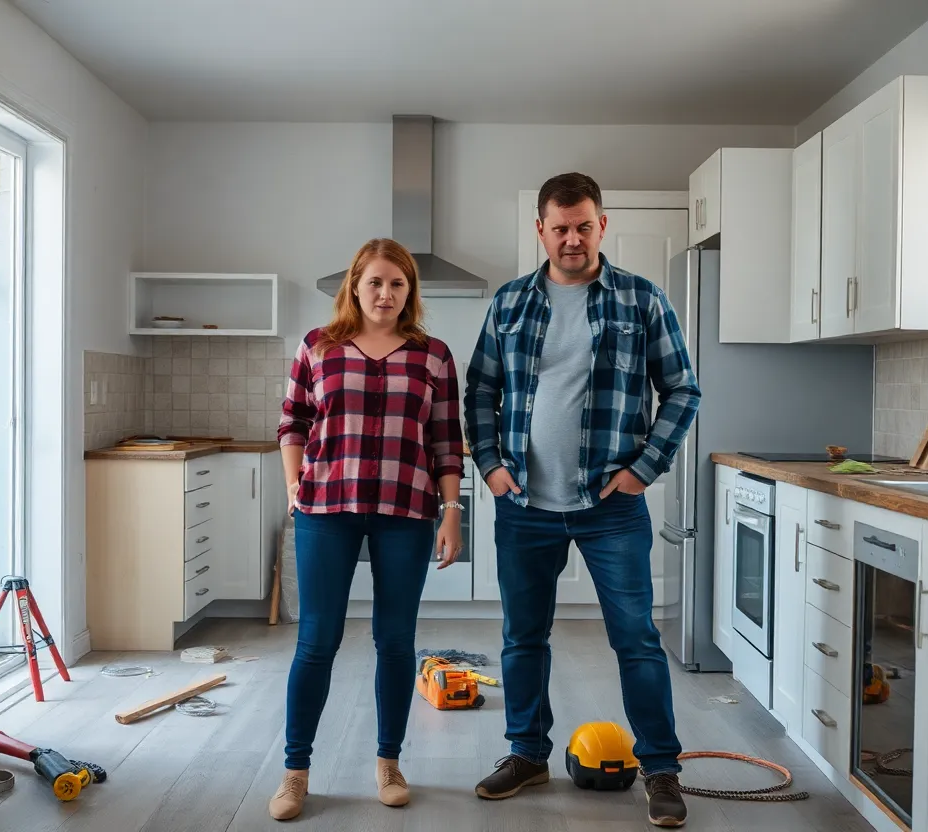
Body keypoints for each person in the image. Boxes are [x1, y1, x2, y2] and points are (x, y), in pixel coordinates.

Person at [464, 172, 701, 828]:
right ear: (540, 230)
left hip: (610, 508)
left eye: (583, 225)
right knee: (522, 637)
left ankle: (660, 769)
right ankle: (526, 754)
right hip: (523, 505)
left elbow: (682, 388)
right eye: (559, 227)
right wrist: (489, 465)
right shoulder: (511, 302)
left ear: (603, 225)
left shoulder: (640, 299)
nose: (572, 238)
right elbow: (480, 390)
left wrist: (644, 470)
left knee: (636, 638)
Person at [271, 238, 465, 821]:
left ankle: (388, 762)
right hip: (327, 507)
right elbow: (292, 423)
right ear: (355, 285)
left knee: (396, 640)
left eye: (397, 284)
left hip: (407, 511)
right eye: (376, 282)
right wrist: (292, 486)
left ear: (410, 292)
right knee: (317, 640)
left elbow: (446, 441)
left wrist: (452, 511)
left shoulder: (432, 355)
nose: (385, 293)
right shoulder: (317, 347)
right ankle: (295, 771)